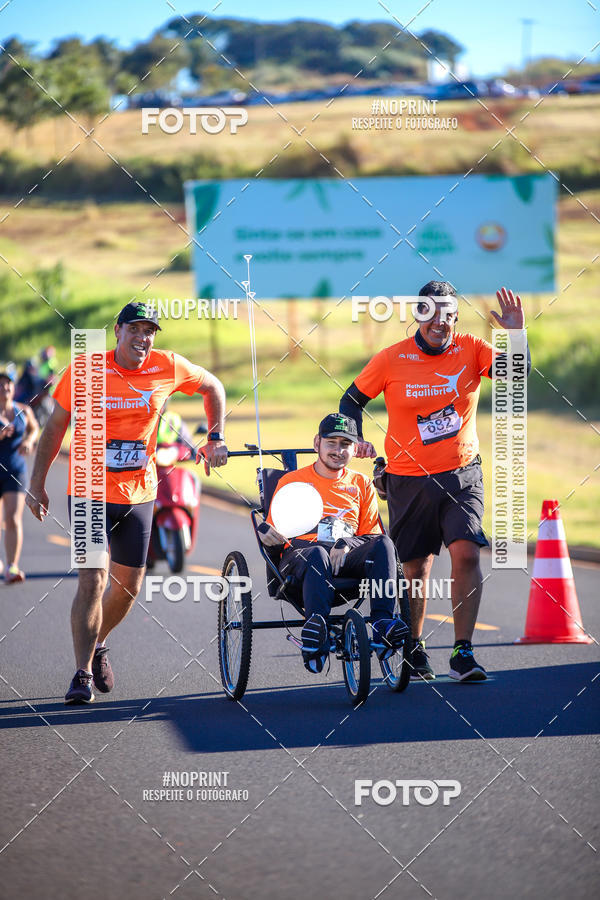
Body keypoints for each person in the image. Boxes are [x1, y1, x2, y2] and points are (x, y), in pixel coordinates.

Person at [26, 302, 229, 704]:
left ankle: (98, 641)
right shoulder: (85, 370)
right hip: (88, 491)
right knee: (93, 579)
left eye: (149, 331)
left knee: (128, 587)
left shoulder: (167, 366)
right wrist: (38, 483)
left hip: (139, 493)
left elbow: (213, 387)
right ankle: (81, 674)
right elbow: (54, 428)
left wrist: (216, 437)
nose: (142, 338)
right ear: (117, 331)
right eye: (134, 329)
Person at [340, 284, 530, 682]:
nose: (439, 321)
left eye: (447, 313)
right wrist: (355, 437)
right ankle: (414, 645)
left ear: (455, 318)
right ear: (418, 315)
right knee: (416, 567)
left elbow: (517, 376)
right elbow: (351, 400)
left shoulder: (472, 349)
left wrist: (516, 335)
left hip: (462, 475)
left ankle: (463, 652)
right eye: (430, 313)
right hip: (407, 480)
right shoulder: (392, 359)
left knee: (466, 552)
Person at [257, 413, 408, 673]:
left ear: (353, 448)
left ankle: (383, 623)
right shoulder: (291, 482)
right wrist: (267, 537)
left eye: (345, 444)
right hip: (302, 560)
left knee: (384, 543)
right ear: (317, 443)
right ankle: (315, 630)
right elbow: (276, 539)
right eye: (331, 443)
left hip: (345, 557)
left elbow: (371, 535)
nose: (338, 451)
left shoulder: (361, 483)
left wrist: (346, 542)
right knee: (316, 552)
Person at [0, 365, 39, 583]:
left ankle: (12, 567)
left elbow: (34, 428)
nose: (4, 387)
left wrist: (28, 441)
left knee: (13, 519)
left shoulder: (23, 410)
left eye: (8, 383)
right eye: (0, 384)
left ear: (14, 387)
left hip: (15, 471)